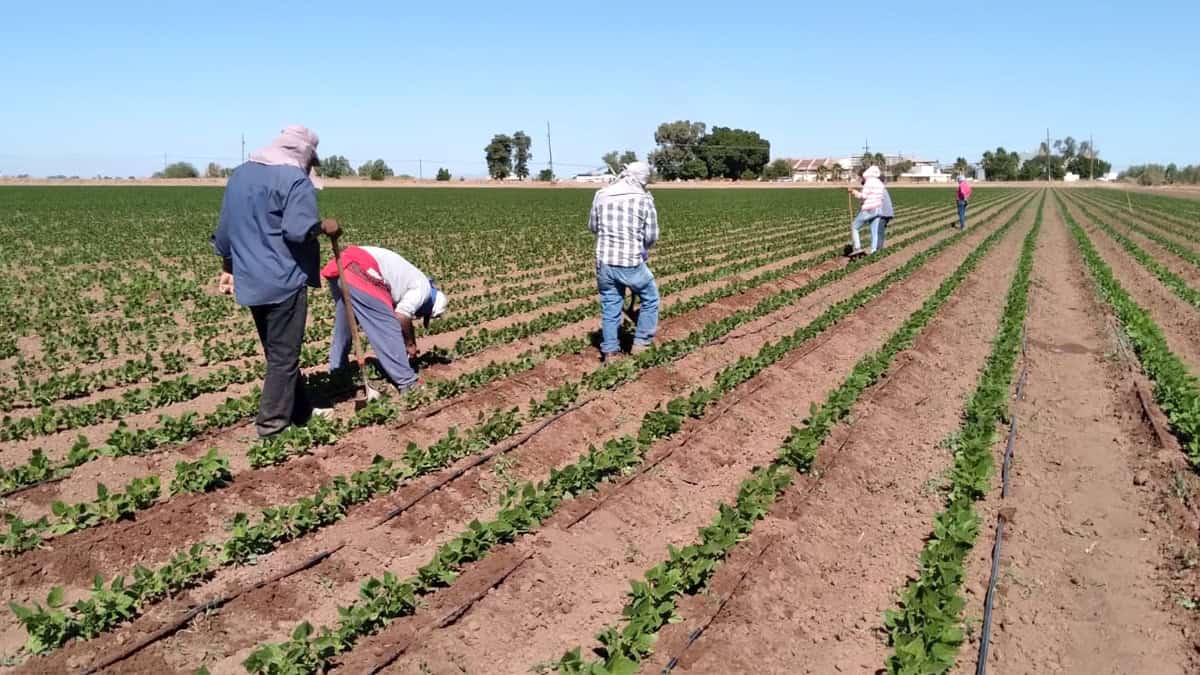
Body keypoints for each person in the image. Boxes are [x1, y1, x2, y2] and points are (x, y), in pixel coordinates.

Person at [213, 125, 340, 438]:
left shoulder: (240, 174)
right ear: (303, 154)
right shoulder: (294, 180)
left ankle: (301, 410)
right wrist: (325, 227)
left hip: (250, 279)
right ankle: (272, 428)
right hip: (283, 278)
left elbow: (225, 233)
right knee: (284, 357)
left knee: (277, 351)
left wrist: (228, 267)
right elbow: (298, 230)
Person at [320, 245, 447, 392]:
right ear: (430, 307)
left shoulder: (416, 280)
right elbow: (401, 316)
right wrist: (410, 343)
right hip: (360, 268)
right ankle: (407, 382)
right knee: (387, 325)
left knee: (346, 324)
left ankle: (338, 372)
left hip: (341, 265)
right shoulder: (423, 288)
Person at [588, 161, 660, 361]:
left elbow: (593, 227)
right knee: (650, 298)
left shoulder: (601, 195)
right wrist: (643, 248)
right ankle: (641, 345)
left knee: (611, 304)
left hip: (604, 262)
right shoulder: (644, 199)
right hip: (630, 262)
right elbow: (652, 235)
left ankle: (610, 351)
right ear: (642, 179)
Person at [848, 165, 884, 255]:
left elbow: (863, 196)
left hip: (869, 209)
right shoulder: (880, 183)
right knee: (874, 231)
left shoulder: (869, 182)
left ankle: (857, 248)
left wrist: (853, 192)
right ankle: (873, 252)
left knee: (854, 227)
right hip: (879, 209)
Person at [872, 178, 895, 253]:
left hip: (883, 214)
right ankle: (879, 250)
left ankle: (877, 251)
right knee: (880, 232)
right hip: (887, 213)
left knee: (878, 232)